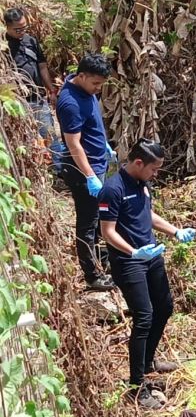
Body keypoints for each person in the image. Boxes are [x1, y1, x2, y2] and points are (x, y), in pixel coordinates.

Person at [98, 138, 196, 409]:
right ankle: (136, 384)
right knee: (143, 317)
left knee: (164, 308)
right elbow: (108, 232)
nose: (156, 174)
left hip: (151, 256)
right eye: (154, 169)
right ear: (139, 163)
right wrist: (133, 252)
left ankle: (149, 360)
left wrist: (175, 230)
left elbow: (147, 214)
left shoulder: (143, 183)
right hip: (129, 262)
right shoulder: (112, 189)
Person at [56, 53, 117, 291]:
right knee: (88, 223)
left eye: (101, 84)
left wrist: (103, 145)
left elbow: (91, 125)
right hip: (84, 172)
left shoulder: (85, 90)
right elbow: (74, 144)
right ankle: (92, 276)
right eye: (95, 84)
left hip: (97, 164)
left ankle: (101, 259)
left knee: (101, 217)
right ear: (82, 76)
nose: (98, 88)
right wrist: (90, 176)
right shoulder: (70, 102)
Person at [4, 8, 58, 149]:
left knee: (50, 138)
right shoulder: (3, 47)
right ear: (8, 26)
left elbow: (42, 67)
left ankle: (58, 169)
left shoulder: (31, 41)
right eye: (18, 29)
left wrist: (51, 90)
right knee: (27, 142)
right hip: (19, 103)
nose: (22, 31)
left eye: (24, 27)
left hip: (38, 99)